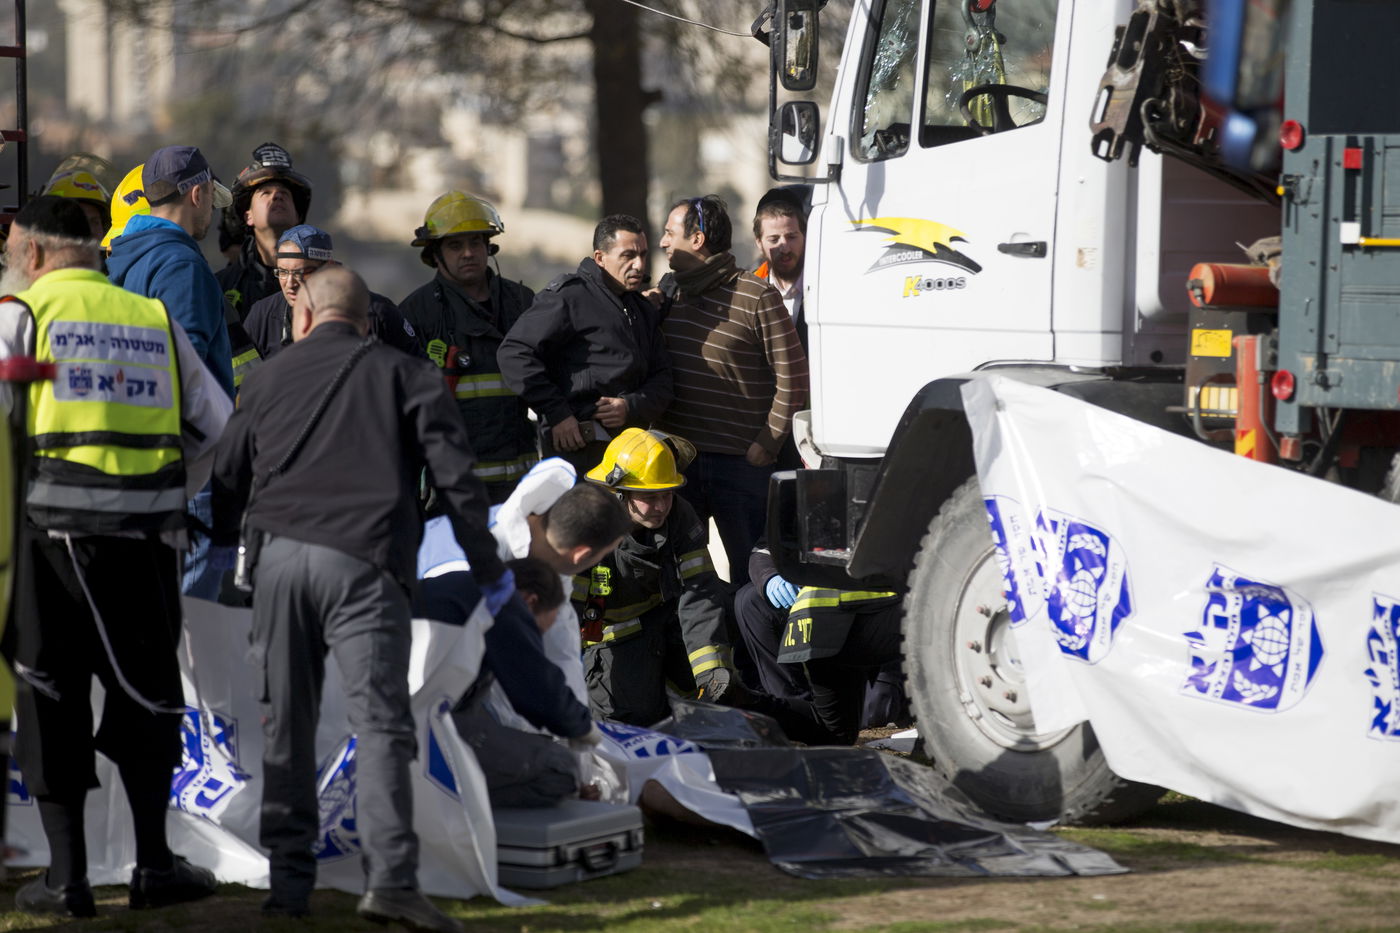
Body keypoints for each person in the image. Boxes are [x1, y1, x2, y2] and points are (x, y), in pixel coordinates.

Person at [209, 266, 510, 929]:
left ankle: (289, 885)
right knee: (378, 724)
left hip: (279, 565)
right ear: (367, 318)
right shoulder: (407, 376)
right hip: (367, 565)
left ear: (306, 317)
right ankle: (391, 881)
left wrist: (231, 553)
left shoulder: (264, 379)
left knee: (285, 725)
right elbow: (459, 484)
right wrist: (488, 568)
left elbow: (227, 476)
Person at [0, 197, 230, 918]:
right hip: (149, 541)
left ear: (34, 254)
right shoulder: (150, 319)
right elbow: (216, 427)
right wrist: (157, 488)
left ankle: (66, 878)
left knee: (50, 695)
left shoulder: (24, 318)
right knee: (148, 697)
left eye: (9, 250)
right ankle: (153, 864)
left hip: (48, 543)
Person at [106, 146, 237, 602]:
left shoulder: (126, 258)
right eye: (211, 204)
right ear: (197, 194)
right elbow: (187, 375)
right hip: (187, 472)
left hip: (138, 461)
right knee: (191, 619)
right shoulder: (182, 265)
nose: (212, 219)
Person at [654, 195, 809, 576]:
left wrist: (767, 443)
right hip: (680, 465)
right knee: (683, 577)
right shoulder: (668, 294)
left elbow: (794, 377)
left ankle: (749, 638)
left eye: (670, 232)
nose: (662, 242)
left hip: (742, 466)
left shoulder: (757, 297)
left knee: (752, 577)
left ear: (698, 239)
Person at [575, 428, 744, 725]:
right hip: (614, 636)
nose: (661, 506)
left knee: (731, 604)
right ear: (618, 491)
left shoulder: (680, 514)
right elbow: (565, 613)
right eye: (648, 497)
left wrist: (712, 671)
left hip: (668, 619)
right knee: (633, 718)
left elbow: (699, 590)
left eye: (666, 494)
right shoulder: (586, 527)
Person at [415, 556, 602, 807]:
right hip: (416, 733)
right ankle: (447, 807)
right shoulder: (502, 605)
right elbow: (538, 690)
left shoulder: (453, 592)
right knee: (560, 768)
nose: (535, 639)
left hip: (389, 722)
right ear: (530, 601)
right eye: (539, 630)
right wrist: (581, 727)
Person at [498, 214, 673, 474]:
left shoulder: (642, 309)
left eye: (643, 255)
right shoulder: (570, 297)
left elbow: (663, 378)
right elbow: (514, 354)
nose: (639, 265)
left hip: (631, 457)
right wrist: (558, 414)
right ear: (600, 258)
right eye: (627, 256)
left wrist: (630, 406)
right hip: (577, 454)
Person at [400, 192, 537, 503]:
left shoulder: (522, 302)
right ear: (435, 254)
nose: (468, 253)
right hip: (452, 492)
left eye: (476, 242)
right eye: (455, 245)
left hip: (521, 484)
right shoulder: (416, 313)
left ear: (489, 247)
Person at [243, 224, 419, 359]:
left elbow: (416, 373)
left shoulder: (379, 312)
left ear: (329, 268)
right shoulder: (262, 315)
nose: (290, 283)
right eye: (282, 272)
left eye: (302, 272)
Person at [216, 142, 313, 320]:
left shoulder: (323, 278)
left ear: (298, 216)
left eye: (284, 194)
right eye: (265, 193)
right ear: (248, 216)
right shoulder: (222, 287)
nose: (276, 196)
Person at [752, 186, 808, 352]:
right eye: (774, 239)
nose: (785, 249)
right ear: (759, 243)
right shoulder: (749, 293)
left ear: (805, 236)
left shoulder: (826, 288)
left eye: (791, 237)